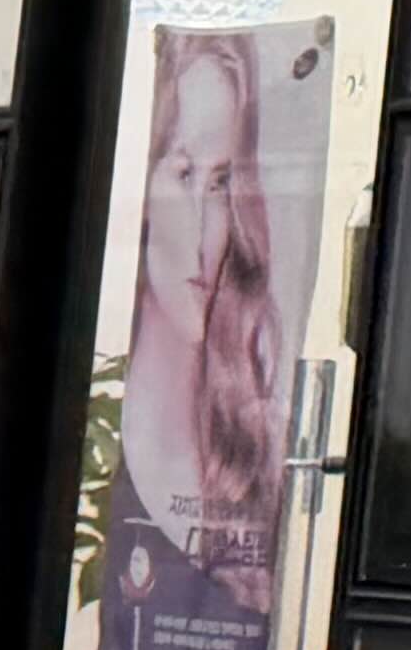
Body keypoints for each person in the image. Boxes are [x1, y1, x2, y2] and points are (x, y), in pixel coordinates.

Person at [117, 29, 288, 588]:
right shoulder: (119, 447)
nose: (201, 232)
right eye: (183, 173)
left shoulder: (247, 443)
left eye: (219, 184)